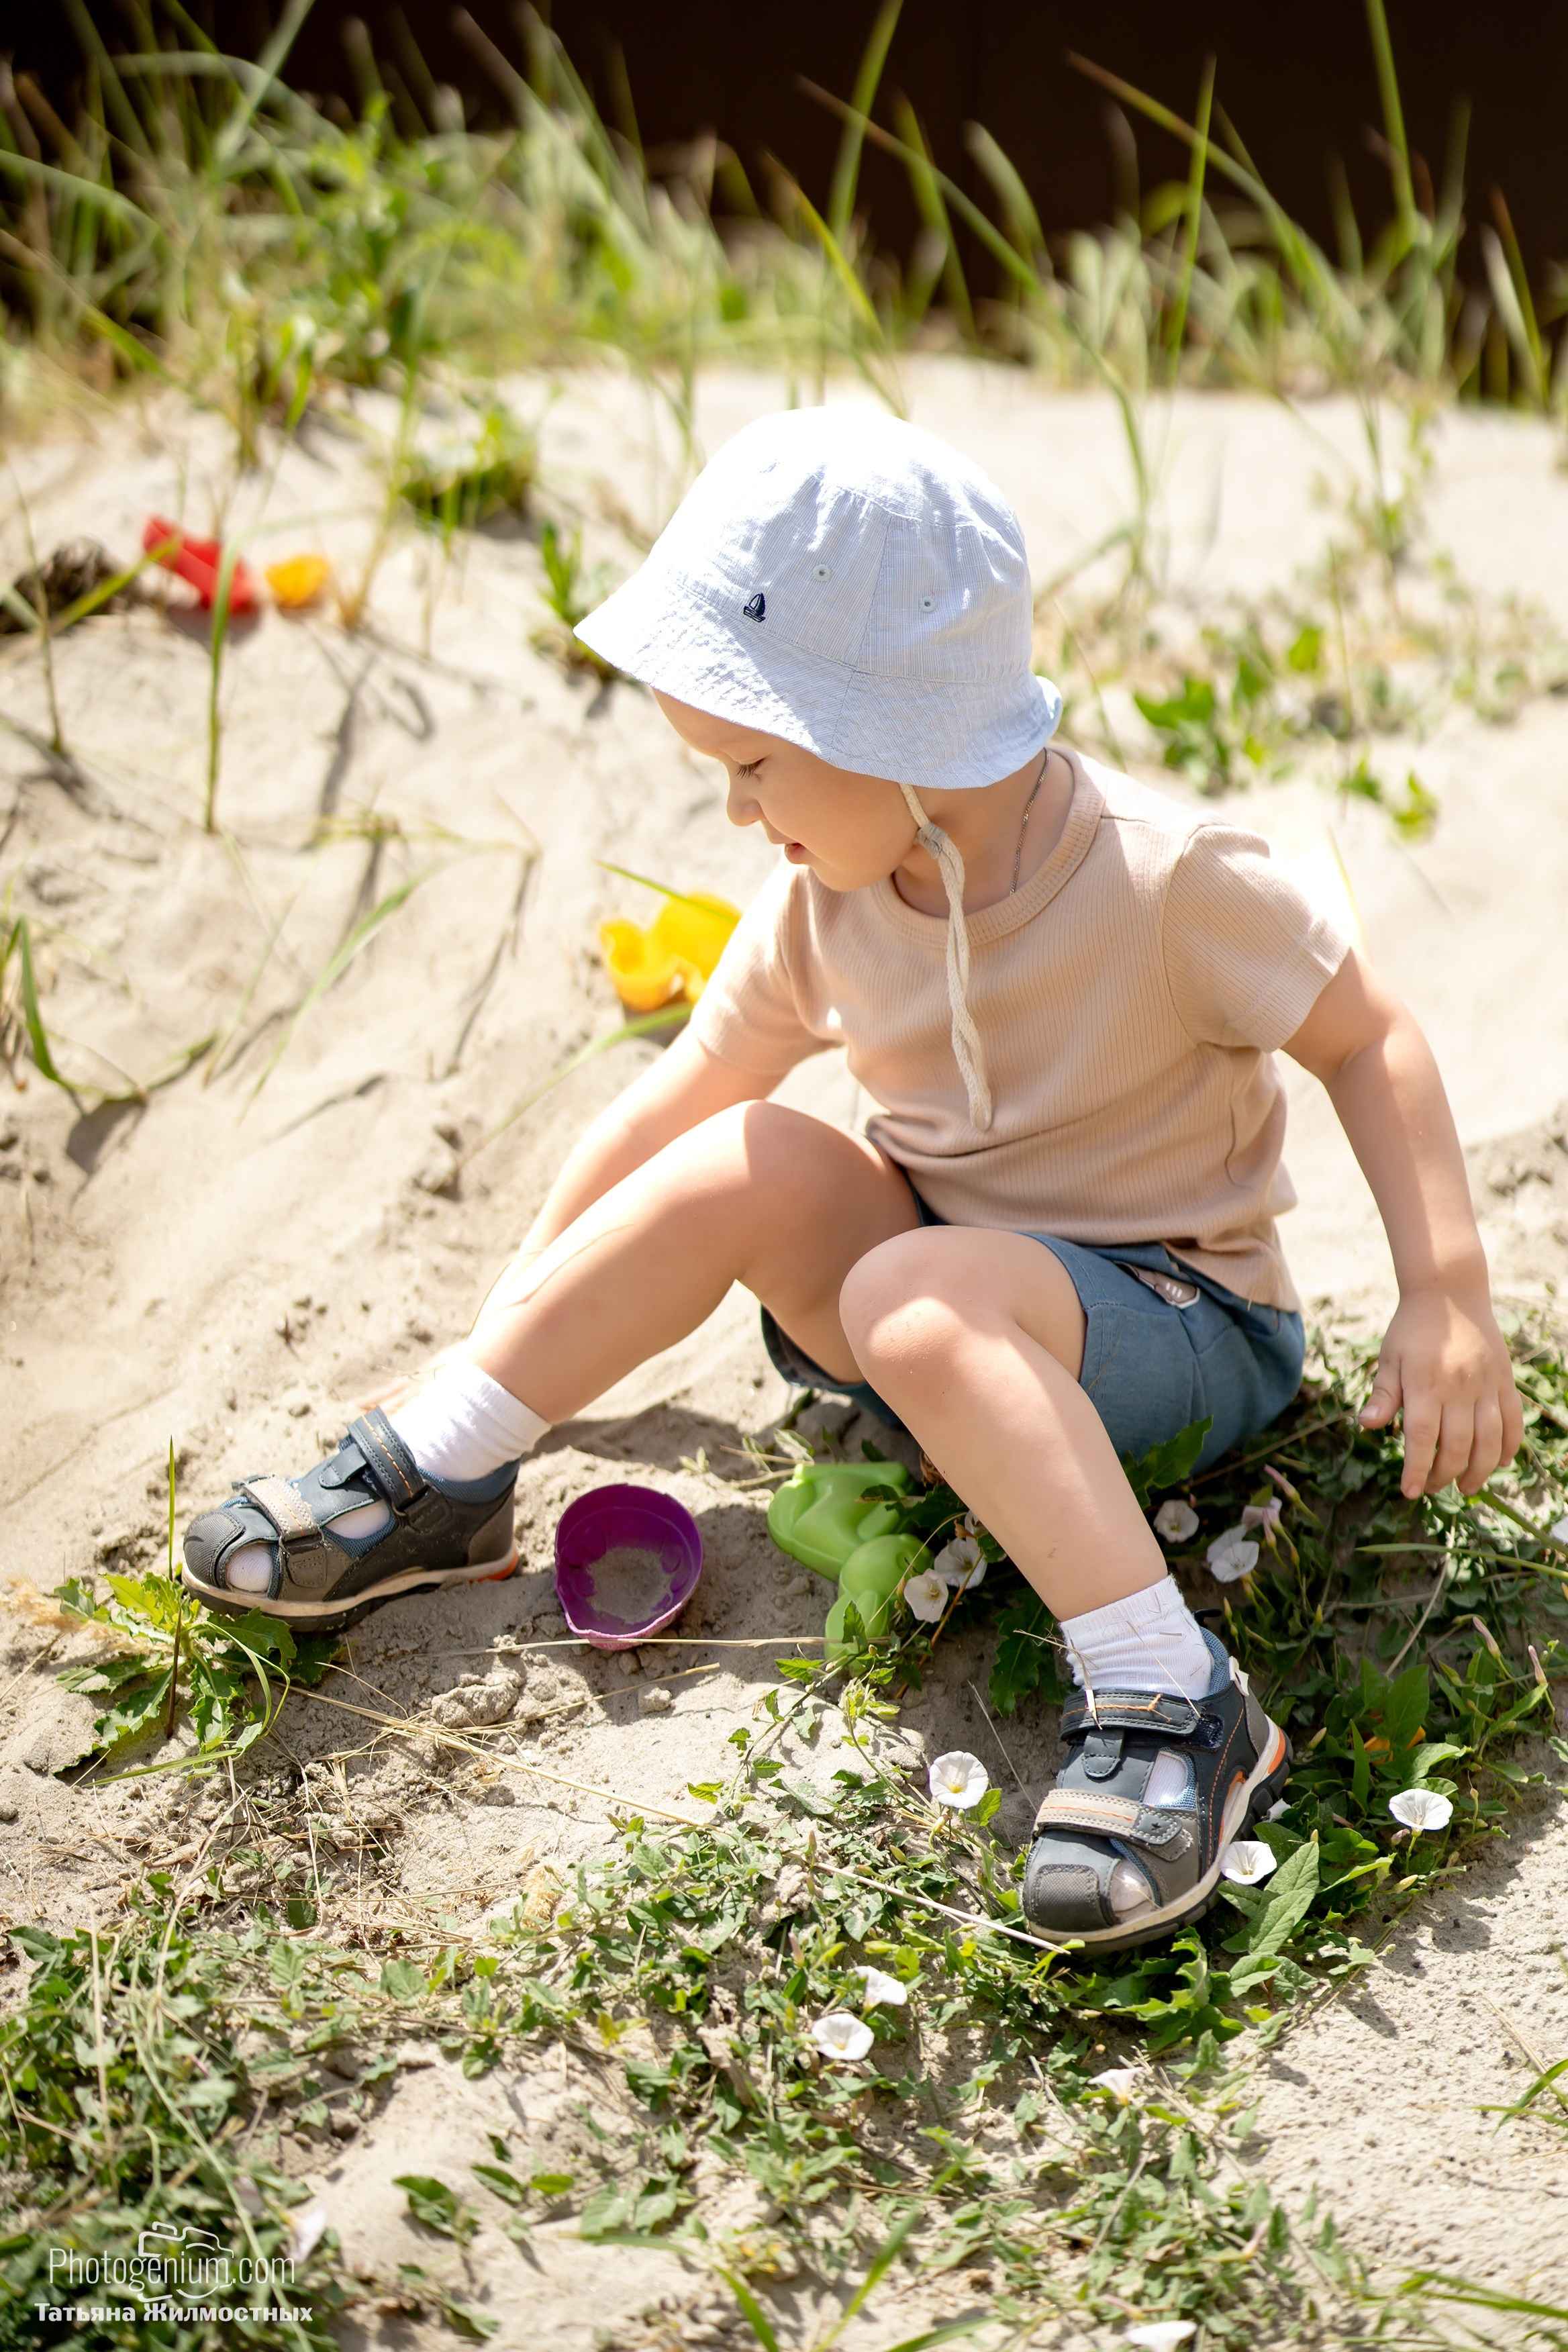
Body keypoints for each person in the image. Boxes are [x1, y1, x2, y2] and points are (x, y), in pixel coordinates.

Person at [183, 407, 1522, 1952]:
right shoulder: (829, 892)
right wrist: (526, 1308)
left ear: (889, 734)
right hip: (931, 1311)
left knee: (909, 1291)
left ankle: (1177, 1695)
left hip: (1174, 1324)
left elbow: (1373, 1039)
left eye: (754, 765)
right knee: (748, 1155)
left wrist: (1445, 1293)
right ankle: (453, 1468)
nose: (737, 812)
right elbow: (690, 1093)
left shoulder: (1168, 879)